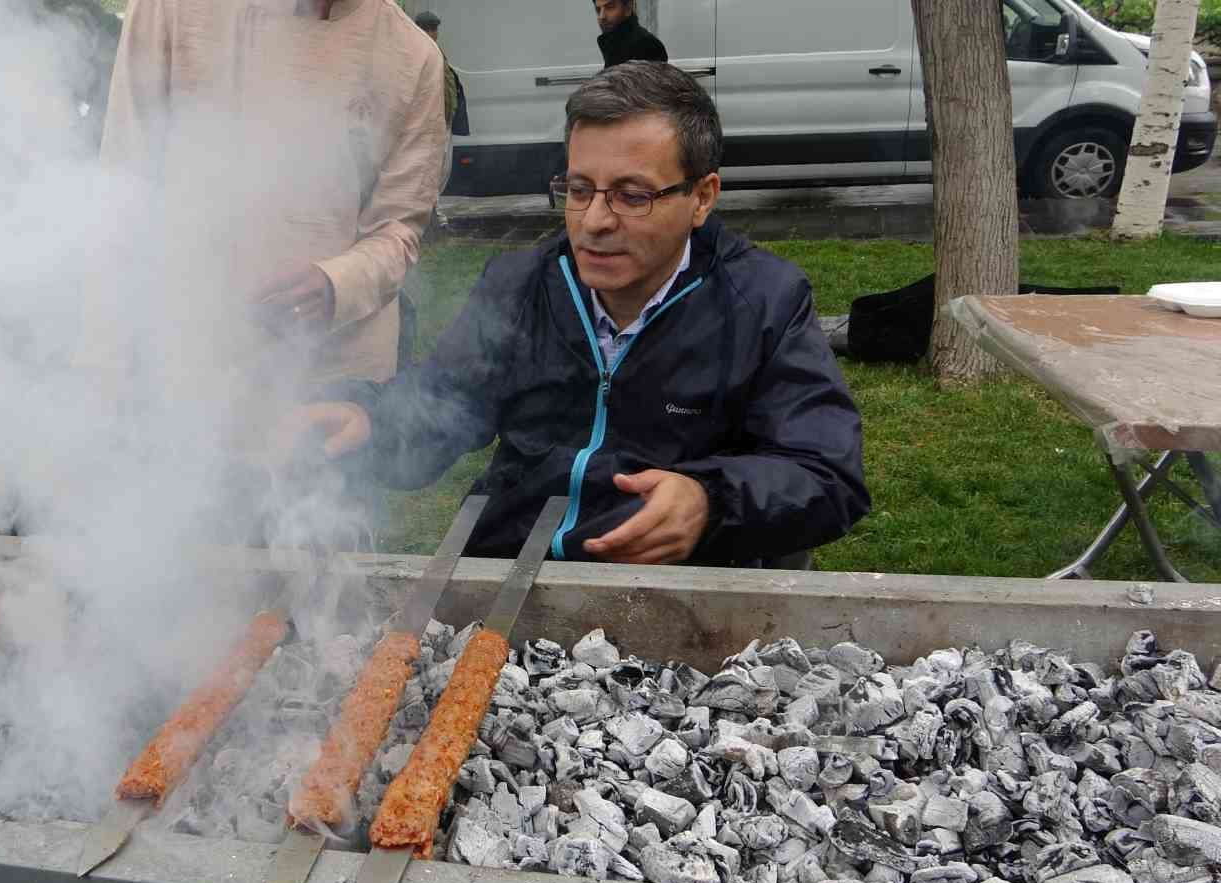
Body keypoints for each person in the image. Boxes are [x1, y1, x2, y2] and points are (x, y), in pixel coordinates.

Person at [286, 62, 869, 566]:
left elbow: (826, 474)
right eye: (579, 188)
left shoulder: (763, 302)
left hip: (684, 592)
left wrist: (710, 502)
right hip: (511, 563)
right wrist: (370, 420)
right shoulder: (520, 285)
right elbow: (444, 405)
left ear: (702, 197)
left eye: (632, 195)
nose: (594, 222)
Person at [78, 0, 448, 408]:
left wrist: (337, 282)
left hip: (336, 377)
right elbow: (122, 188)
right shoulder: (169, 9)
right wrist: (101, 365)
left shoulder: (413, 57)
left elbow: (398, 229)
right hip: (187, 356)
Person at [413, 9, 467, 230]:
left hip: (443, 120)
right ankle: (433, 218)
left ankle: (434, 213)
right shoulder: (417, 52)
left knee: (442, 169)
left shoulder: (435, 51)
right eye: (427, 28)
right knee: (433, 170)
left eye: (434, 28)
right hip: (430, 122)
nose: (432, 32)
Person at [594, 0, 667, 69]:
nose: (602, 16)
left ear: (628, 8)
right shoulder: (610, 42)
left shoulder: (647, 44)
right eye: (598, 10)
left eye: (610, 7)